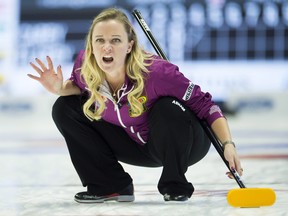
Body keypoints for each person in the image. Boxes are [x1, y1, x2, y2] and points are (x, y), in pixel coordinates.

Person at [28, 7, 243, 203]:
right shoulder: (85, 66)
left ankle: (175, 184)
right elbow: (77, 86)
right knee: (64, 107)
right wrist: (59, 88)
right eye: (100, 40)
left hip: (186, 144)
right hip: (137, 145)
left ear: (130, 45)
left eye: (115, 40)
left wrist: (228, 144)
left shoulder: (158, 73)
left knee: (167, 107)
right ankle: (110, 185)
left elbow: (206, 105)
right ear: (91, 46)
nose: (107, 48)